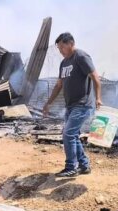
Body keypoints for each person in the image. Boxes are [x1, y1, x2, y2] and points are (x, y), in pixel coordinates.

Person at [42, 32, 102, 177]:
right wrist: (48, 103)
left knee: (68, 134)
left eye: (62, 47)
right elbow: (58, 85)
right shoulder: (64, 63)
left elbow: (95, 77)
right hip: (71, 105)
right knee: (73, 135)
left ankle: (71, 167)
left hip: (83, 104)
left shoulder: (81, 57)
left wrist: (98, 98)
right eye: (58, 48)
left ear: (71, 44)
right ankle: (84, 165)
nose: (60, 51)